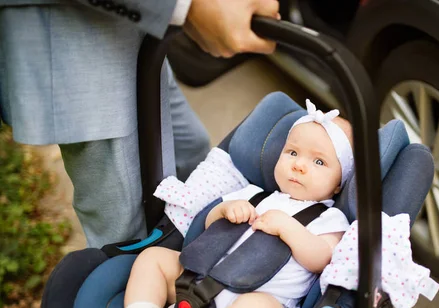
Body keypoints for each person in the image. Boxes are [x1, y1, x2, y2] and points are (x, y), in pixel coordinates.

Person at [95, 100, 354, 308]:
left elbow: (322, 258)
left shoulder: (331, 219)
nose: (299, 165)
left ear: (339, 183)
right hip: (195, 279)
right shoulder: (253, 194)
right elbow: (206, 223)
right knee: (153, 258)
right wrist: (226, 209)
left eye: (318, 161)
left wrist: (289, 228)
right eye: (292, 152)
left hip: (251, 301)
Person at [0, 0, 280, 248]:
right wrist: (189, 5)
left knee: (190, 150)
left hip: (139, 32)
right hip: (76, 29)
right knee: (126, 228)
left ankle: (190, 249)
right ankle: (132, 298)